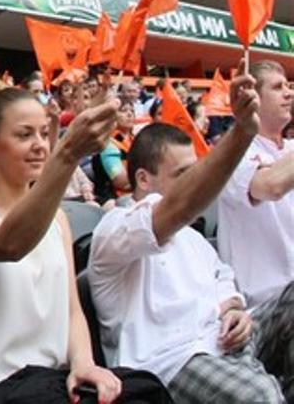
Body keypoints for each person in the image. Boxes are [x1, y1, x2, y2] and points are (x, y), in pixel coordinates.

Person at [0, 88, 166, 402]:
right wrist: (69, 152)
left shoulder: (59, 219)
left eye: (44, 134)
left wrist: (84, 364)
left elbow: (72, 309)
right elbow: (8, 243)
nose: (39, 146)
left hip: (55, 384)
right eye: (24, 134)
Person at [90, 75, 291, 404]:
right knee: (261, 395)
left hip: (226, 337)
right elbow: (177, 209)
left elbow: (222, 276)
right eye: (184, 175)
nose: (198, 183)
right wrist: (241, 132)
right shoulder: (114, 229)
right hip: (171, 360)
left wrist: (234, 309)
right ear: (143, 178)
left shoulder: (193, 238)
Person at [217, 60, 294, 308]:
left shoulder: (290, 150)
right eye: (277, 87)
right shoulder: (233, 152)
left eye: (289, 86)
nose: (289, 92)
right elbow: (271, 186)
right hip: (266, 306)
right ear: (254, 100)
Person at [91, 98, 135, 205]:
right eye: (123, 111)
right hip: (113, 199)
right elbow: (121, 182)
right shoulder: (107, 143)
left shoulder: (136, 139)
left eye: (132, 111)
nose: (129, 114)